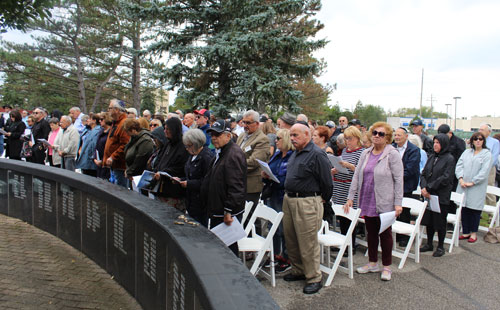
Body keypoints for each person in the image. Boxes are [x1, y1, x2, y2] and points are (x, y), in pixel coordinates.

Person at [345, 121, 403, 281]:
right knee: (370, 232)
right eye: (375, 133)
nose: (377, 136)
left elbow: (399, 179)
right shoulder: (366, 153)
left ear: (387, 138)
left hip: (385, 200)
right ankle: (372, 263)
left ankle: (387, 266)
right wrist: (350, 197)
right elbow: (357, 175)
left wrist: (398, 202)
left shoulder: (392, 154)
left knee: (385, 234)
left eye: (381, 134)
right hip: (367, 198)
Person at [282, 121, 333, 295]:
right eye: (291, 135)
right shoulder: (296, 153)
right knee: (292, 239)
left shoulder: (317, 154)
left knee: (307, 242)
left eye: (295, 135)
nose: (292, 138)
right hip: (290, 200)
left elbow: (327, 182)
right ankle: (298, 270)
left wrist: (322, 200)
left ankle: (314, 277)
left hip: (307, 202)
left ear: (307, 135)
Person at [201, 119, 247, 255]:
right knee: (221, 249)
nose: (214, 138)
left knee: (227, 251)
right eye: (212, 135)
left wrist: (228, 211)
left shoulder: (233, 154)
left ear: (228, 135)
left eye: (217, 135)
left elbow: (236, 187)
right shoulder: (222, 151)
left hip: (226, 213)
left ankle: (232, 275)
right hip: (218, 208)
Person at [261, 128, 294, 273]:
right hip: (272, 194)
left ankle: (286, 257)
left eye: (279, 138)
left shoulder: (292, 157)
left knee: (283, 228)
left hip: (283, 196)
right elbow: (271, 168)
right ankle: (274, 254)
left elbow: (290, 178)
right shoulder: (276, 155)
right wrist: (265, 174)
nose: (276, 141)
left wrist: (274, 178)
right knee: (271, 226)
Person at [419, 134, 456, 257]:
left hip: (440, 195)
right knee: (429, 220)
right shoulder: (431, 156)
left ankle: (440, 246)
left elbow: (445, 178)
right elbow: (423, 173)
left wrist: (429, 187)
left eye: (438, 143)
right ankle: (429, 243)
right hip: (428, 194)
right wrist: (424, 187)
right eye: (434, 142)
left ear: (444, 144)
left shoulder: (449, 158)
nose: (435, 145)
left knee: (440, 221)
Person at [331, 126, 364, 251]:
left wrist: (350, 166)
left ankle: (350, 245)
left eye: (350, 138)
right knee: (342, 217)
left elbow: (362, 171)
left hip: (351, 187)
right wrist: (336, 169)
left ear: (357, 138)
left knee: (349, 217)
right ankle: (343, 243)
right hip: (340, 185)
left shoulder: (362, 152)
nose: (348, 141)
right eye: (346, 139)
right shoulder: (345, 151)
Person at [456, 131, 492, 243]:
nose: (478, 141)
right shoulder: (467, 152)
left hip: (476, 187)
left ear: (483, 141)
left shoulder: (487, 154)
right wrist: (461, 179)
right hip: (463, 185)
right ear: (472, 141)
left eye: (480, 139)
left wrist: (473, 182)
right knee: (465, 208)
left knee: (474, 210)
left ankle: (473, 233)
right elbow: (459, 166)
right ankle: (465, 231)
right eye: (475, 139)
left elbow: (484, 171)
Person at [236, 110, 270, 223]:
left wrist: (233, 165)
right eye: (243, 122)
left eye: (248, 123)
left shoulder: (262, 139)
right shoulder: (241, 136)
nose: (245, 125)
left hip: (250, 185)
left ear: (256, 123)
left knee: (250, 218)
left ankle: (252, 238)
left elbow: (255, 162)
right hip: (238, 182)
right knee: (240, 215)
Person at [176, 129, 214, 227]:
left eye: (188, 146)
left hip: (201, 202)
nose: (186, 149)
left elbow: (207, 181)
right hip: (191, 200)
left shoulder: (206, 157)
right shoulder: (193, 155)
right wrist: (180, 179)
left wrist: (188, 184)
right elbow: (190, 174)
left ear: (195, 144)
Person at [153, 117, 189, 211]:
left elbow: (180, 167)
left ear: (174, 130)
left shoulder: (183, 147)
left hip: (174, 192)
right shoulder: (168, 144)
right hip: (161, 189)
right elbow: (159, 160)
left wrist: (163, 172)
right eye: (164, 129)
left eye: (168, 129)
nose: (165, 131)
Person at [392, 127, 421, 247]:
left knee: (404, 211)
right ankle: (394, 234)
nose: (397, 137)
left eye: (399, 135)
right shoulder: (391, 148)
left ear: (406, 136)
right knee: (393, 210)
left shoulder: (414, 150)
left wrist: (395, 177)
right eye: (395, 135)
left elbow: (411, 169)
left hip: (406, 186)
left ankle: (404, 237)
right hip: (392, 185)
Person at [103, 99, 131, 187]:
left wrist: (112, 157)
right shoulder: (116, 123)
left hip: (120, 166)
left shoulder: (124, 123)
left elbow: (125, 144)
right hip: (114, 166)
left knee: (120, 192)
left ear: (117, 110)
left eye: (110, 108)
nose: (108, 111)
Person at [478, 124, 499, 207]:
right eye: (479, 129)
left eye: (482, 130)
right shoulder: (477, 140)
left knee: (489, 190)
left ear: (489, 132)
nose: (480, 131)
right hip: (477, 168)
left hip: (489, 169)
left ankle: (492, 215)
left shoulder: (495, 142)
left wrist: (485, 166)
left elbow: (494, 156)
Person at [94, 113, 112, 180]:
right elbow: (96, 146)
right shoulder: (101, 131)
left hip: (106, 164)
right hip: (98, 163)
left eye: (101, 119)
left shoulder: (111, 132)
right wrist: (95, 159)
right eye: (99, 119)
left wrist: (102, 160)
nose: (99, 121)